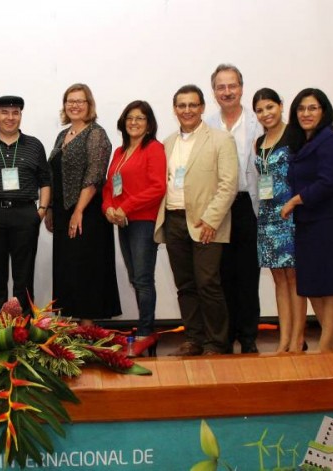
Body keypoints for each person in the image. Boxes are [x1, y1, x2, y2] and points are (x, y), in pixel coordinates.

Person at [154, 84, 238, 356]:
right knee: (185, 286)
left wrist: (212, 220)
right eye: (181, 105)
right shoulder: (167, 143)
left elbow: (228, 184)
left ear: (202, 107)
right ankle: (194, 338)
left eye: (192, 105)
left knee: (208, 283)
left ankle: (217, 342)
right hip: (174, 220)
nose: (187, 110)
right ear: (175, 109)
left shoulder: (220, 139)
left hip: (206, 224)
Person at [282, 88, 333, 353]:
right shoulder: (303, 142)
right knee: (311, 285)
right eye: (301, 108)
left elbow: (329, 183)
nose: (306, 113)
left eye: (312, 108)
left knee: (329, 285)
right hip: (307, 221)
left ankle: (325, 349)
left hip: (329, 220)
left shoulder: (330, 141)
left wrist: (295, 200)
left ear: (324, 111)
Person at [47, 84, 120, 324]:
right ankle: (73, 329)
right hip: (62, 212)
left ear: (89, 105)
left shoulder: (96, 133)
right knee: (68, 269)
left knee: (87, 269)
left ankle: (88, 330)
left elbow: (95, 175)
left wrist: (78, 211)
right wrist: (49, 210)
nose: (75, 105)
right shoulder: (62, 135)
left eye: (80, 101)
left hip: (87, 214)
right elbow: (54, 174)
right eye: (70, 101)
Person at [0, 96, 50, 312]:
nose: (10, 117)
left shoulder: (34, 145)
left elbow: (45, 181)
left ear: (21, 116)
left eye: (15, 113)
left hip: (25, 214)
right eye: (4, 112)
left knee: (24, 276)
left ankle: (24, 328)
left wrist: (41, 211)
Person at [205, 64, 263, 354]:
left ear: (241, 88)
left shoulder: (259, 123)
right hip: (217, 208)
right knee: (220, 274)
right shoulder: (207, 127)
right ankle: (224, 337)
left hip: (246, 206)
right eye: (221, 87)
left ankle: (249, 336)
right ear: (213, 92)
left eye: (232, 86)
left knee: (248, 274)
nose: (227, 92)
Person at [102, 101, 166, 355]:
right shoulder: (119, 152)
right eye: (130, 117)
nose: (134, 122)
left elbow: (157, 186)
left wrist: (125, 207)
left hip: (142, 221)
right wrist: (108, 209)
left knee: (143, 278)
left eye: (140, 118)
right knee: (134, 277)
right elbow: (109, 187)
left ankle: (145, 330)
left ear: (149, 124)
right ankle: (144, 329)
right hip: (122, 221)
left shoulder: (154, 148)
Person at [252, 88, 307, 353]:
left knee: (295, 278)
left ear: (281, 106)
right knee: (279, 280)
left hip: (291, 213)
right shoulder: (258, 142)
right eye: (260, 110)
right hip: (267, 217)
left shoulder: (295, 135)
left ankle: (297, 339)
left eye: (270, 107)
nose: (266, 114)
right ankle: (284, 339)